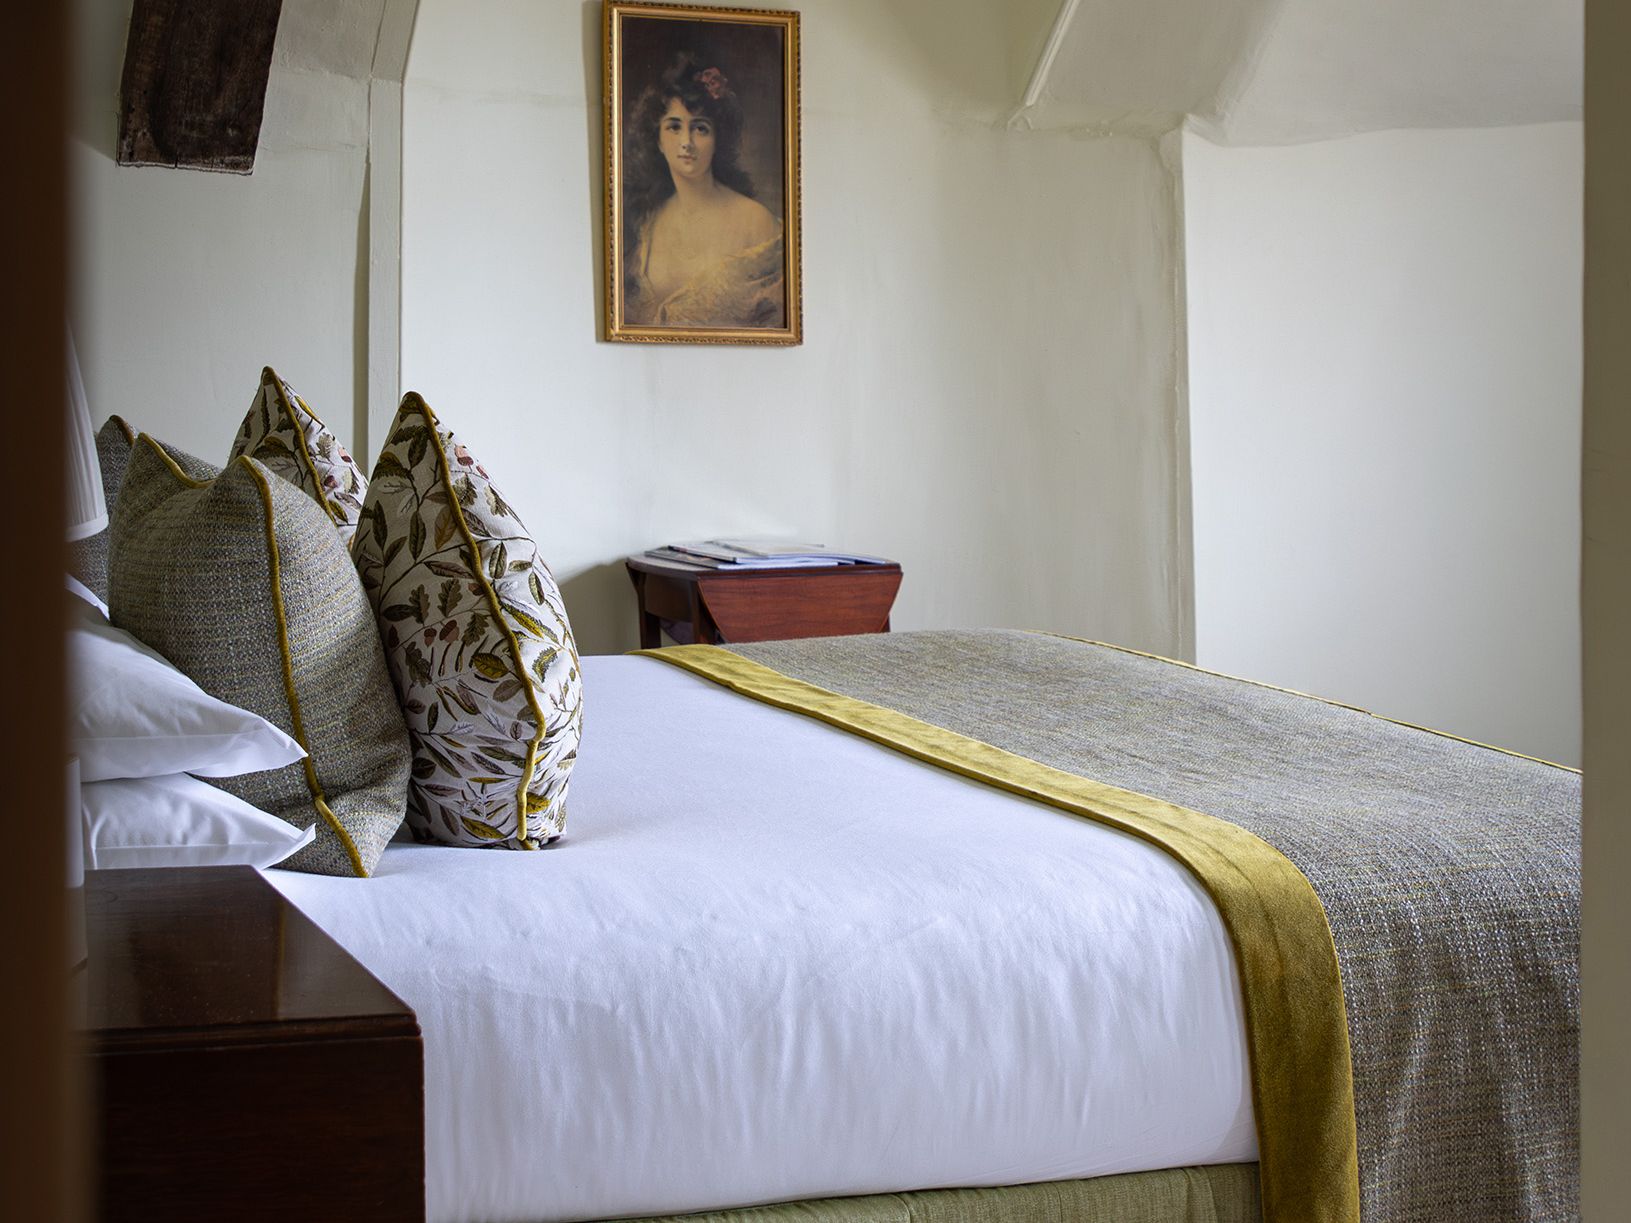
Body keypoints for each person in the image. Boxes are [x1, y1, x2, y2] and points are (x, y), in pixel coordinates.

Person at [622, 52, 785, 328]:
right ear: (658, 140)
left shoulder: (755, 222)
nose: (686, 142)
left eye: (700, 128)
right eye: (674, 127)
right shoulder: (650, 222)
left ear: (717, 139)